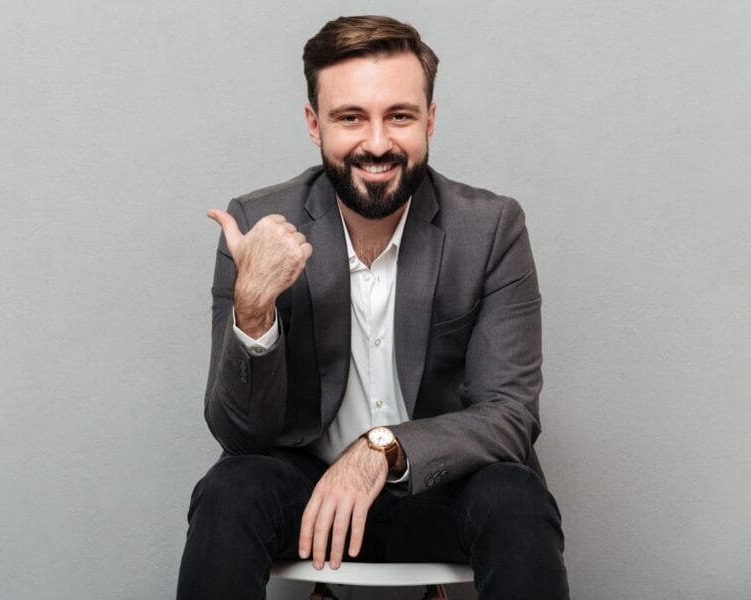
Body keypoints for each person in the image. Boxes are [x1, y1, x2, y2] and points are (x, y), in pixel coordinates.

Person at [177, 15, 569, 599]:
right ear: (315, 125)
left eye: (400, 116)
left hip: (440, 490)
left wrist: (381, 449)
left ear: (430, 120)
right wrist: (254, 304)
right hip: (311, 498)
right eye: (351, 117)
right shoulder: (259, 226)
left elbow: (510, 415)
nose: (378, 143)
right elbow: (240, 435)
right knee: (230, 488)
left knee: (516, 498)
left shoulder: (491, 228)